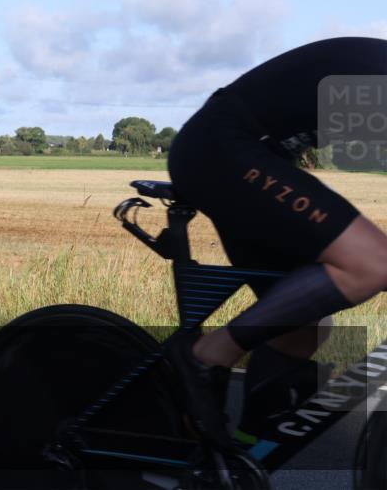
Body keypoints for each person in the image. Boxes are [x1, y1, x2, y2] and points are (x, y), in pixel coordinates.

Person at [164, 36, 387, 447]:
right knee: (372, 264)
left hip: (237, 154)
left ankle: (244, 454)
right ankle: (206, 356)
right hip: (223, 150)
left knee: (300, 328)